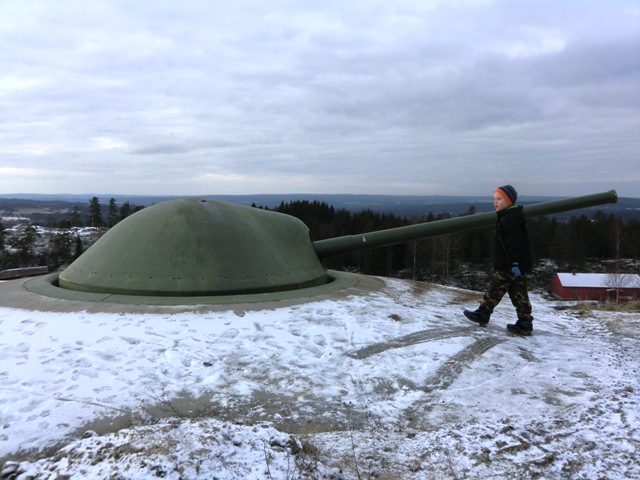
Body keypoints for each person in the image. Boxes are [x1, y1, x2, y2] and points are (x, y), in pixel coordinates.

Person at [464, 185, 534, 336]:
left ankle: (483, 313)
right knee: (519, 293)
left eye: (499, 199)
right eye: (494, 199)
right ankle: (525, 322)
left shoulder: (510, 219)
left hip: (509, 264)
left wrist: (514, 263)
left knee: (495, 288)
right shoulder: (509, 216)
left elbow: (513, 244)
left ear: (509, 201)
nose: (495, 202)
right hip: (514, 264)